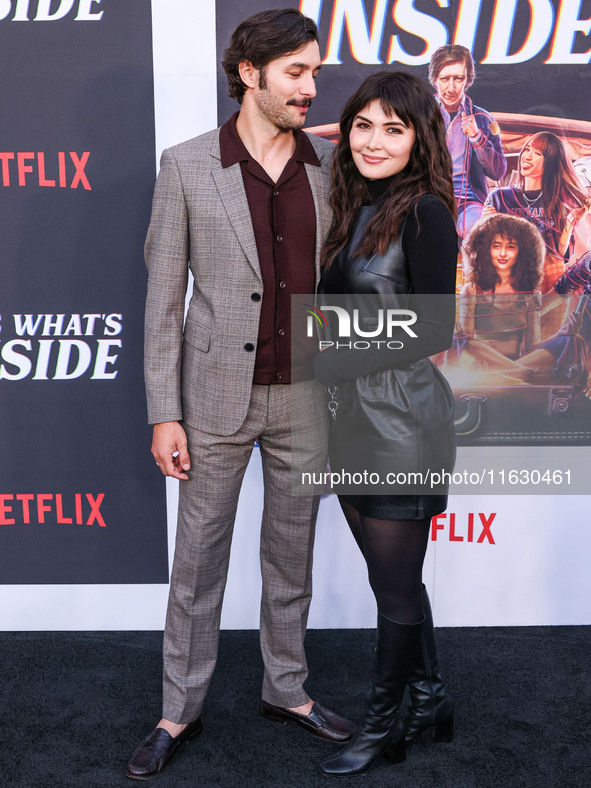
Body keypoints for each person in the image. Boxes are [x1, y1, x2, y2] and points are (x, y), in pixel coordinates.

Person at [126, 8, 355, 781]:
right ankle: (176, 711)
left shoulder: (330, 164)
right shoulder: (187, 165)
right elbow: (162, 300)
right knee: (198, 564)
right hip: (213, 400)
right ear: (249, 75)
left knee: (290, 559)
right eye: (296, 72)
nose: (310, 88)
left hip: (306, 398)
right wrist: (165, 411)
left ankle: (285, 690)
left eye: (315, 72)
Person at [312, 71, 458, 777]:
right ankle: (427, 697)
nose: (372, 141)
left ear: (417, 137)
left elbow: (435, 327)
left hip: (402, 422)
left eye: (391, 128)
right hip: (349, 420)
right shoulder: (352, 205)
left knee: (395, 588)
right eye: (362, 125)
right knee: (389, 580)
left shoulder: (426, 210)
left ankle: (382, 726)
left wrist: (332, 351)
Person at [483, 132, 590, 293]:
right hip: (505, 283)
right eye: (527, 149)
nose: (527, 156)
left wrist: (569, 225)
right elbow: (483, 244)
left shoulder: (559, 203)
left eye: (537, 153)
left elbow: (560, 253)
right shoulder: (499, 197)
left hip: (547, 285)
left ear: (550, 163)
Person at [429, 44, 506, 239]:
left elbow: (498, 172)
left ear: (468, 79)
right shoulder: (418, 114)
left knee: (485, 233)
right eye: (445, 79)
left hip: (468, 203)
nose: (451, 88)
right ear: (434, 80)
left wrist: (477, 137)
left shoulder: (483, 118)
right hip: (428, 198)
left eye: (458, 79)